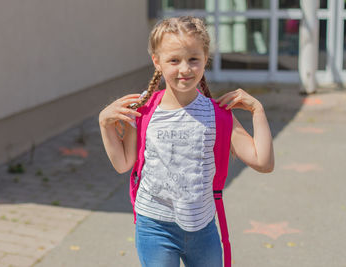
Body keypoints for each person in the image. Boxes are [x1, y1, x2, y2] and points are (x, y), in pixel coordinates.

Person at [99, 16, 274, 267]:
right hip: (154, 228)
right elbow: (123, 163)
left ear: (205, 59)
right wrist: (104, 124)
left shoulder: (218, 115)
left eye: (193, 59)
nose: (185, 69)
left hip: (203, 230)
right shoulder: (144, 112)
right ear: (156, 62)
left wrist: (258, 111)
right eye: (174, 60)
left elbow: (263, 162)